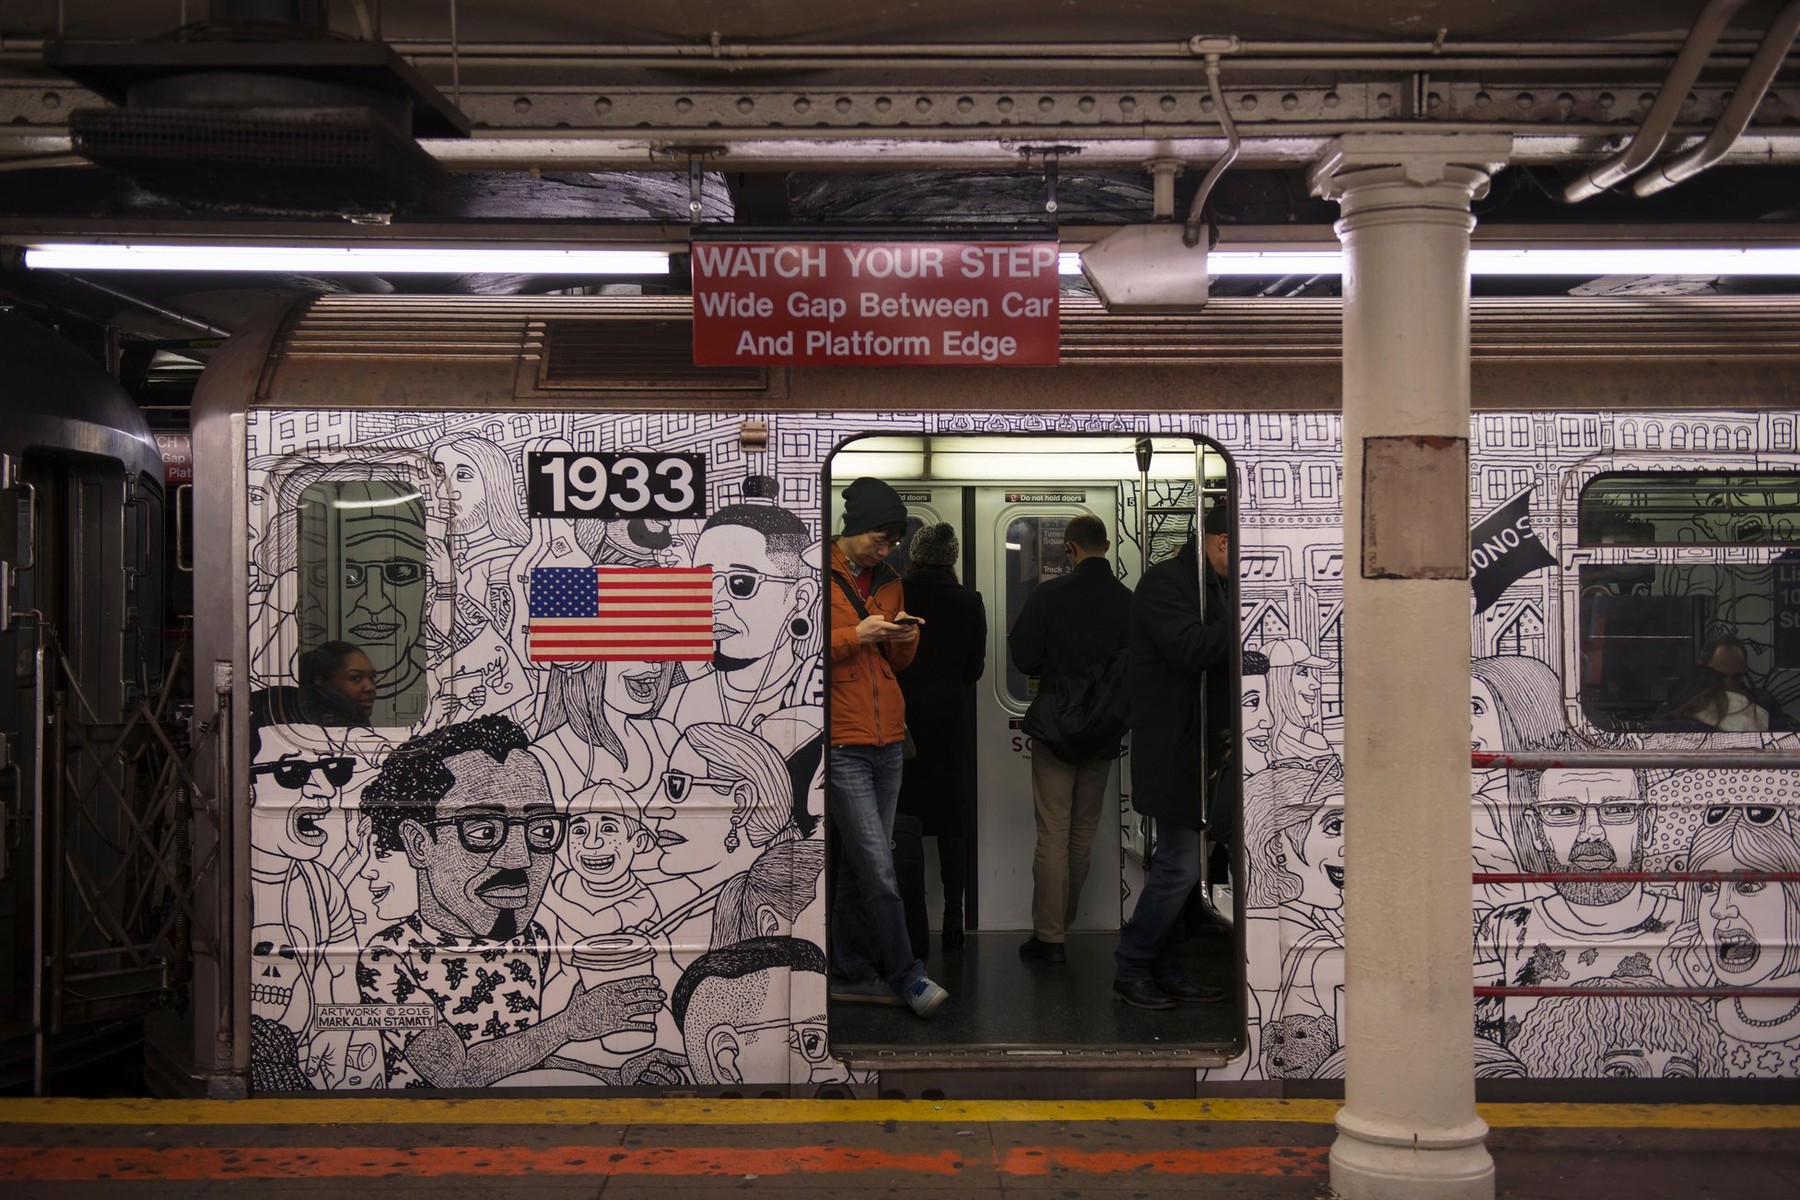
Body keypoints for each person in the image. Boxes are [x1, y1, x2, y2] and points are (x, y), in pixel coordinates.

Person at [356, 715, 666, 1087]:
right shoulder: (387, 959)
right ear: (420, 843)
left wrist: (613, 1075)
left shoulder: (532, 938)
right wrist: (570, 1024)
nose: (520, 858)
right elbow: (455, 1074)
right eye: (484, 831)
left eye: (540, 830)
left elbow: (523, 1059)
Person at [824, 476, 947, 1017]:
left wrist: (904, 636)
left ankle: (849, 969)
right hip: (844, 741)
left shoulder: (892, 582)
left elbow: (895, 666)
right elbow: (800, 647)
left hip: (889, 740)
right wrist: (860, 635)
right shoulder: (816, 573)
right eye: (880, 536)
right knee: (879, 868)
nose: (887, 547)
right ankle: (908, 975)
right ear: (852, 530)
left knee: (858, 866)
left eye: (895, 539)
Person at [1112, 507, 1236, 1010]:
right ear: (1222, 542)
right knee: (1182, 867)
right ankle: (1133, 964)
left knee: (1188, 864)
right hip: (1175, 746)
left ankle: (1165, 965)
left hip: (1206, 747)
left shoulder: (1214, 587)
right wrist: (1248, 629)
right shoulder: (1165, 585)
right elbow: (1189, 649)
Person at [1475, 761, 1676, 1046]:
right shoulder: (1502, 929)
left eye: (1618, 810)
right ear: (1535, 830)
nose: (1592, 832)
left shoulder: (1693, 923)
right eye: (1563, 812)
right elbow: (1483, 1051)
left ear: (1647, 825)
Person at [1007, 513, 1131, 962]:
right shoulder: (1127, 601)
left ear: (1071, 549)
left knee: (1053, 831)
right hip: (1102, 730)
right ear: (1107, 546)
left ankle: (1050, 937)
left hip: (1056, 728)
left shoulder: (1049, 594)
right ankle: (1065, 921)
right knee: (1082, 832)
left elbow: (1022, 657)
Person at [896, 522, 987, 951]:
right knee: (953, 821)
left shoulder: (895, 595)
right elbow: (974, 670)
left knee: (901, 818)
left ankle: (908, 919)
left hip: (900, 725)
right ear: (951, 559)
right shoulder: (969, 601)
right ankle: (954, 914)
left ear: (913, 554)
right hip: (950, 725)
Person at [294, 640, 377, 727]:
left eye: (372, 677)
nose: (370, 688)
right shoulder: (326, 729)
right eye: (356, 678)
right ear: (322, 682)